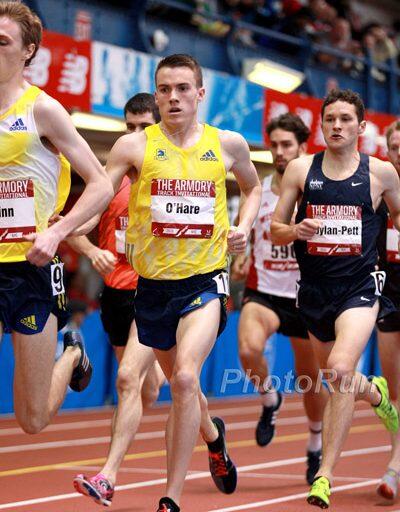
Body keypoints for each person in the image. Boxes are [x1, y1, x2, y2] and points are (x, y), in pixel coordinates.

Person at [105, 54, 261, 512]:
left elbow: (252, 188)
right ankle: (213, 437)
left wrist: (243, 226)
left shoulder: (227, 144)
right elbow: (99, 191)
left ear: (200, 93)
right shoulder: (134, 147)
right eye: (165, 89)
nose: (173, 97)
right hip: (154, 287)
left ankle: (171, 497)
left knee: (186, 376)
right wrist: (63, 226)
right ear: (156, 95)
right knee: (180, 382)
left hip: (205, 281)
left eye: (182, 88)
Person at [271, 88, 400, 509]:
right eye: (330, 119)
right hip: (314, 292)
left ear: (361, 127)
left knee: (341, 369)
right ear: (321, 124)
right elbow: (275, 229)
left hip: (360, 288)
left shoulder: (380, 173)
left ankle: (324, 476)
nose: (337, 126)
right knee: (333, 377)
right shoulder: (300, 170)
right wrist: (296, 230)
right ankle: (375, 392)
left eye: (345, 119)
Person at [0, 1, 113, 434]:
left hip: (32, 268)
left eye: (3, 41)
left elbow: (100, 184)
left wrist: (58, 232)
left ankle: (73, 355)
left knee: (32, 419)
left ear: (28, 50)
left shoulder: (43, 110)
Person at [71, 93, 165, 506]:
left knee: (128, 379)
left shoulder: (172, 178)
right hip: (116, 295)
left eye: (144, 127)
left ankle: (107, 476)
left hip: (156, 293)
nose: (135, 134)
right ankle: (212, 434)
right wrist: (92, 251)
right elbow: (76, 225)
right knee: (149, 388)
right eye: (129, 127)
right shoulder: (112, 182)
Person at [232, 113, 328, 485]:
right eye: (273, 145)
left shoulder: (319, 190)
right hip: (265, 291)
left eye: (287, 144)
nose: (279, 152)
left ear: (303, 147)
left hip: (306, 296)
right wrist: (242, 256)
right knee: (248, 349)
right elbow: (247, 231)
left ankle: (315, 442)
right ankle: (270, 398)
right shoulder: (258, 190)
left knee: (309, 379)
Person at [375, 120, 400, 500]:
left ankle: (394, 468)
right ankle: (396, 463)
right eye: (395, 147)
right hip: (389, 298)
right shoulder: (377, 191)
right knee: (394, 392)